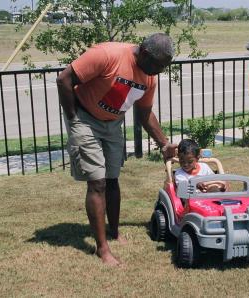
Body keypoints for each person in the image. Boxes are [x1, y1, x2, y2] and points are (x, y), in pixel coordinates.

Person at [56, 33, 177, 266]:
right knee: (97, 181)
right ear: (143, 52)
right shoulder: (108, 55)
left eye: (164, 67)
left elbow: (144, 114)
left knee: (112, 179)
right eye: (157, 65)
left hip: (112, 123)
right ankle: (102, 248)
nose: (159, 71)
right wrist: (73, 118)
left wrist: (164, 143)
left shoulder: (150, 77)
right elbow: (64, 79)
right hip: (84, 118)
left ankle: (114, 231)